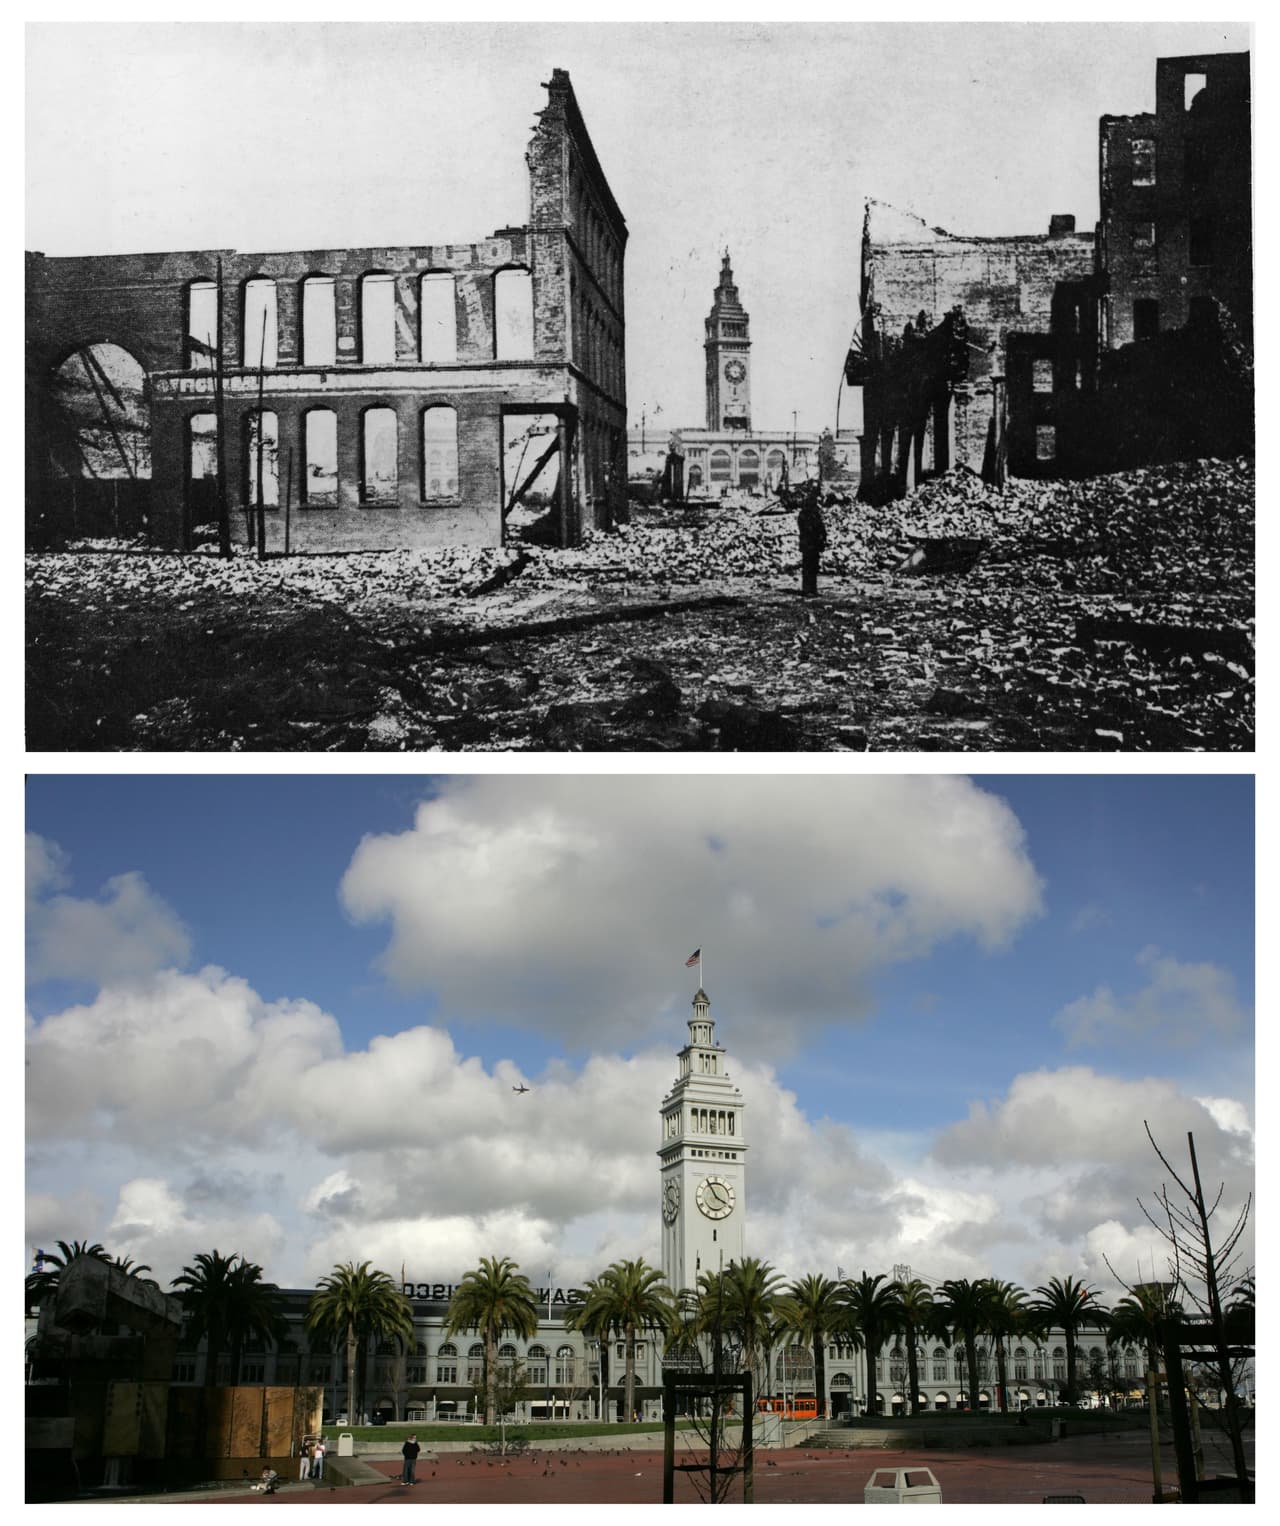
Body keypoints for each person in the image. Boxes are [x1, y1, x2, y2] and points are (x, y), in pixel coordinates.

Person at [796, 484, 827, 597]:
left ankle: (813, 589)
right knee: (808, 567)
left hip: (813, 544)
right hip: (809, 544)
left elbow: (821, 528)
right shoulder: (805, 515)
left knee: (813, 567)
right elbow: (808, 529)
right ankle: (807, 590)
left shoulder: (814, 514)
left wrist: (823, 537)